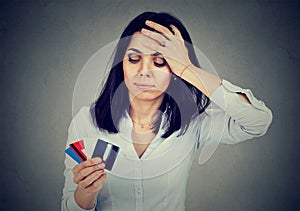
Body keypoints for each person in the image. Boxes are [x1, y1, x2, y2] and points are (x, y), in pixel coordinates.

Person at [61, 12, 272, 211]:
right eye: (134, 59)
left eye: (160, 61)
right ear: (121, 64)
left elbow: (258, 121)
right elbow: (68, 206)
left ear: (175, 71)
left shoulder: (194, 124)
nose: (144, 71)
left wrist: (188, 68)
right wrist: (86, 192)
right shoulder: (85, 122)